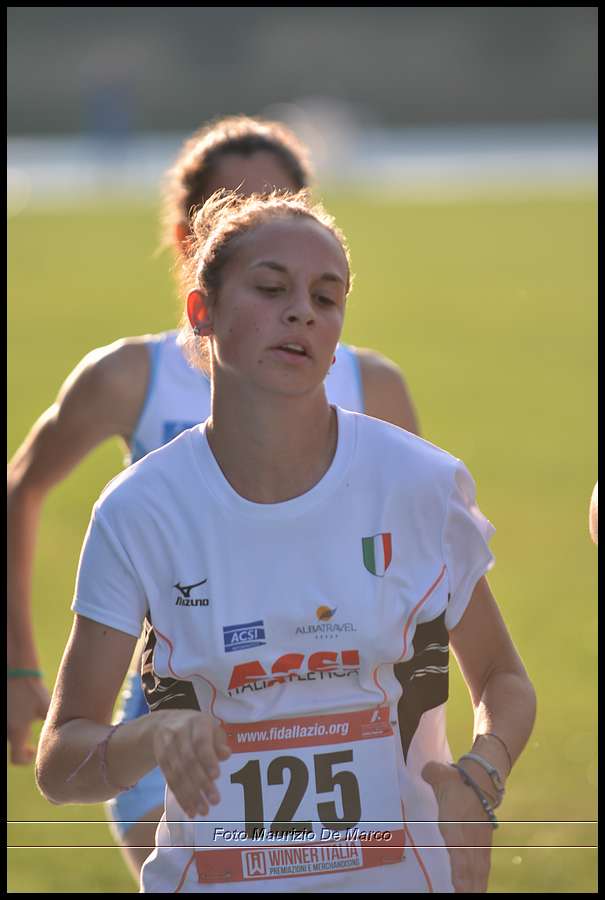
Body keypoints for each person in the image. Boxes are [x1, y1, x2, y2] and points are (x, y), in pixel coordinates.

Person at [36, 190, 536, 893]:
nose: (302, 311)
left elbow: (504, 680)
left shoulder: (418, 483)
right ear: (202, 312)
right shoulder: (139, 509)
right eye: (271, 289)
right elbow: (61, 762)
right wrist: (151, 737)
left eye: (325, 298)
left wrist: (480, 777)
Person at [7, 115, 419, 877]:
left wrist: (442, 765)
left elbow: (423, 587)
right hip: (171, 743)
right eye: (233, 208)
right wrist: (16, 665)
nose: (258, 222)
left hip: (337, 742)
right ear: (188, 236)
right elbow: (20, 489)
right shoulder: (129, 376)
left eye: (280, 204)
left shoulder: (373, 386)